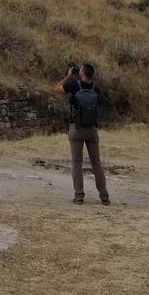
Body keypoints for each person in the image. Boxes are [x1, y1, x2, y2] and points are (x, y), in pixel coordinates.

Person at [55, 62, 110, 206]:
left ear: (83, 74)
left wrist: (68, 76)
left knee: (77, 163)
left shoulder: (74, 86)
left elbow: (58, 89)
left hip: (76, 129)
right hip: (92, 130)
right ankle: (104, 196)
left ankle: (79, 196)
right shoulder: (95, 89)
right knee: (96, 163)